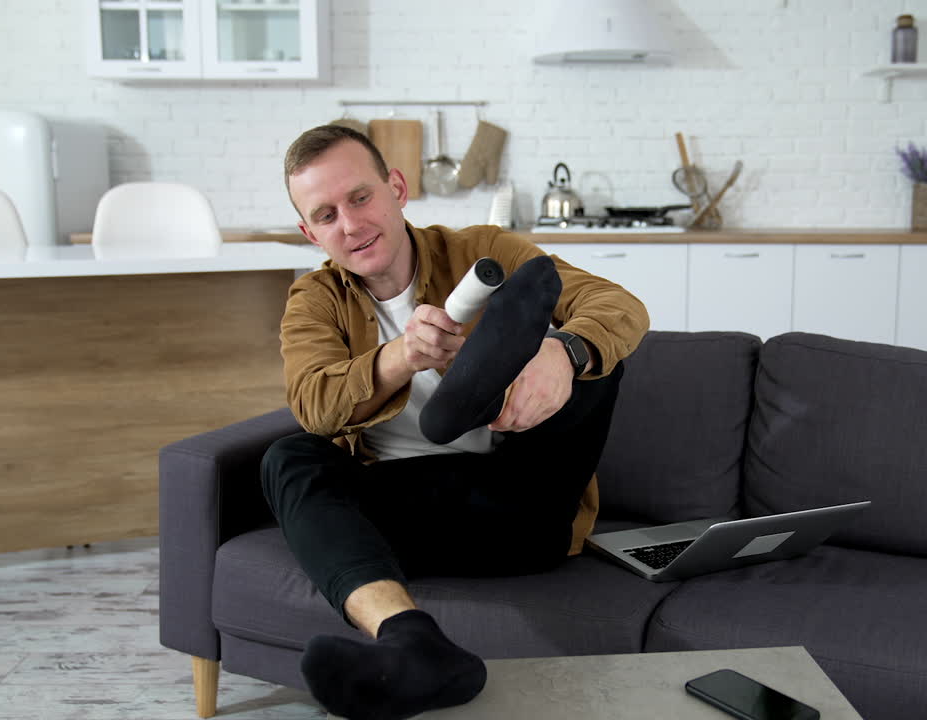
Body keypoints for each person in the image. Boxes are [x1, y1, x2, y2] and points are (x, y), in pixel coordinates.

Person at [261, 124, 649, 720]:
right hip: (408, 509)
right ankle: (414, 645)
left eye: (361, 197)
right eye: (327, 214)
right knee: (289, 457)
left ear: (396, 188)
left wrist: (563, 354)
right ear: (309, 232)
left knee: (595, 363)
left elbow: (621, 306)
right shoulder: (315, 301)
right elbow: (313, 404)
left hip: (524, 498)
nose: (351, 224)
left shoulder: (485, 247)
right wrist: (403, 357)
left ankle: (497, 374)